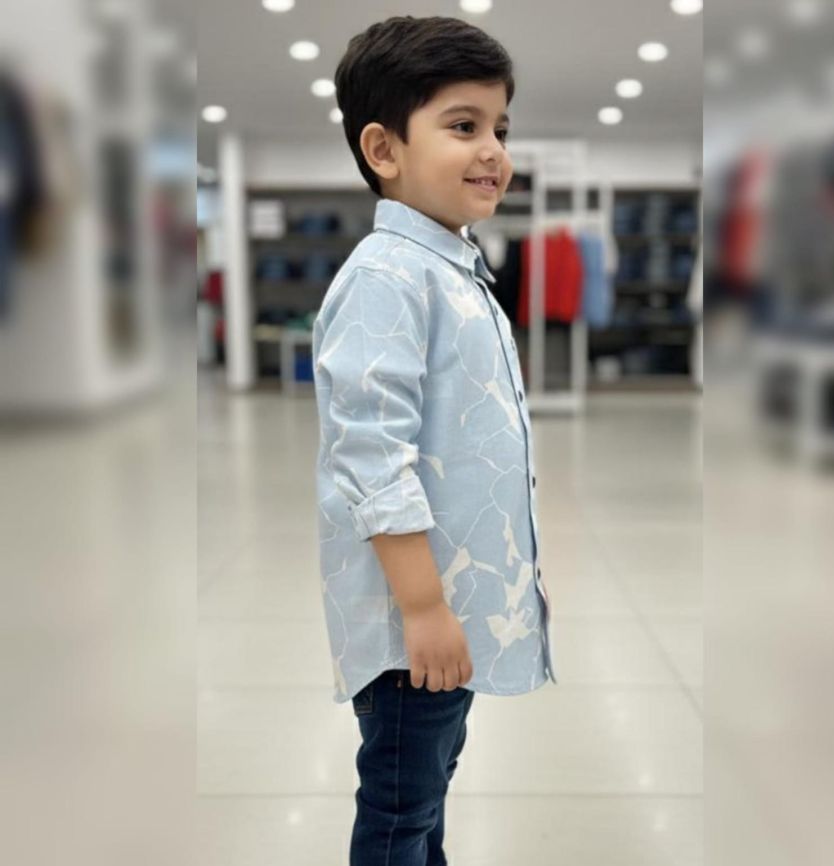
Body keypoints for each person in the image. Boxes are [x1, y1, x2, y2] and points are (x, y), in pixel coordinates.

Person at [311, 15, 557, 866]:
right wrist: (422, 608)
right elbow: (371, 458)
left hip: (448, 610)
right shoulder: (388, 277)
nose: (493, 151)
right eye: (463, 125)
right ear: (383, 149)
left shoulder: (451, 266)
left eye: (500, 129)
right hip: (412, 624)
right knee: (398, 812)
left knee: (425, 798)